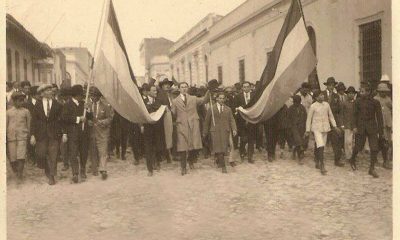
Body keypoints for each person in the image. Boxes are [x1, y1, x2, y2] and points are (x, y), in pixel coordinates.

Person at [171, 81, 210, 176]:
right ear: (179, 89)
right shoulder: (175, 101)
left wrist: (209, 91)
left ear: (187, 88)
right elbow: (173, 113)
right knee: (182, 147)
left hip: (193, 125)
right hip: (182, 126)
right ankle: (183, 167)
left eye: (185, 87)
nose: (184, 88)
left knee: (195, 146)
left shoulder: (193, 98)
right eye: (182, 87)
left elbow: (204, 100)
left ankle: (191, 160)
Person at [30, 84, 64, 185]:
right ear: (42, 93)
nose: (51, 92)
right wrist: (32, 135)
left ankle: (52, 176)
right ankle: (47, 170)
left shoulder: (57, 104)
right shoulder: (38, 104)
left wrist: (61, 131)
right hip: (41, 134)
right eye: (48, 91)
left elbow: (60, 119)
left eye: (51, 90)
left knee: (53, 155)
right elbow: (34, 121)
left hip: (54, 133)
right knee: (41, 154)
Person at [350, 85, 384, 178]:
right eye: (360, 91)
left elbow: (380, 118)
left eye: (362, 91)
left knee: (374, 148)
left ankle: (371, 168)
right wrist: (354, 126)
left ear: (368, 92)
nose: (360, 93)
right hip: (360, 128)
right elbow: (353, 115)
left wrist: (381, 132)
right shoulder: (357, 102)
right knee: (358, 147)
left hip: (372, 128)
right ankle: (352, 159)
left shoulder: (376, 102)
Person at [306, 90, 340, 175]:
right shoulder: (313, 106)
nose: (322, 96)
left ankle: (317, 160)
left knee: (321, 146)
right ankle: (322, 164)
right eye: (320, 95)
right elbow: (309, 119)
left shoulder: (326, 105)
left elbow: (331, 116)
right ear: (316, 97)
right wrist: (307, 130)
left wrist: (335, 126)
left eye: (322, 95)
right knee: (320, 145)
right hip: (316, 128)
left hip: (325, 128)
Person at [203, 91, 237, 173]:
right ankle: (223, 167)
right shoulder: (211, 108)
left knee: (224, 148)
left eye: (223, 98)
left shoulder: (228, 109)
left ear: (225, 99)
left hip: (225, 131)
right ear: (217, 98)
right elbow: (207, 121)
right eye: (220, 98)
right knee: (219, 148)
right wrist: (205, 132)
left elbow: (232, 120)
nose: (221, 100)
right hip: (215, 131)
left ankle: (219, 160)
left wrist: (234, 129)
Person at [61, 84, 90, 183]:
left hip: (83, 132)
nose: (82, 96)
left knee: (84, 152)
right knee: (73, 153)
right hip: (72, 133)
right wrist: (78, 119)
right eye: (81, 95)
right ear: (75, 95)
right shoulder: (67, 105)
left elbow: (89, 117)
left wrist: (88, 109)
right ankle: (75, 173)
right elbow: (64, 118)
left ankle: (82, 170)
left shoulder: (84, 104)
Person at [87, 87, 114, 179]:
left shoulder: (105, 105)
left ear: (99, 96)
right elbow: (86, 117)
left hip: (102, 132)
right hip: (91, 132)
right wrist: (88, 122)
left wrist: (103, 122)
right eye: (91, 95)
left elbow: (110, 118)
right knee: (93, 151)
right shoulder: (88, 105)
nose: (93, 98)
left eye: (95, 96)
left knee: (103, 151)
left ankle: (103, 169)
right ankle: (94, 168)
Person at [7, 92, 31, 183]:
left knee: (21, 156)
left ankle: (19, 174)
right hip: (11, 138)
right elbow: (5, 125)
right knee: (13, 158)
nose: (21, 103)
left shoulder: (26, 112)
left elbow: (29, 124)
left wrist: (28, 135)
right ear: (13, 101)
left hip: (22, 137)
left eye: (22, 101)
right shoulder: (8, 112)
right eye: (18, 101)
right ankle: (16, 171)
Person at [143, 85, 166, 176]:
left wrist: (152, 109)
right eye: (154, 91)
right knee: (148, 148)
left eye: (156, 91)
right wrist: (154, 108)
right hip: (148, 128)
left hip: (158, 127)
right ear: (148, 92)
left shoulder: (159, 101)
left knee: (157, 146)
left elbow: (161, 110)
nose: (156, 92)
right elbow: (144, 111)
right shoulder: (143, 101)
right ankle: (150, 169)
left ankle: (157, 162)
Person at [322, 77, 345, 167]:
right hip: (323, 120)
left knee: (336, 140)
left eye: (333, 85)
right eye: (330, 85)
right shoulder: (322, 94)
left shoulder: (336, 96)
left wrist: (340, 124)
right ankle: (318, 159)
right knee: (320, 140)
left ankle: (337, 160)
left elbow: (339, 111)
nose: (331, 87)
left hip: (333, 121)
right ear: (327, 85)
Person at [235, 81, 257, 163]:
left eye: (248, 86)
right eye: (244, 87)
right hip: (242, 121)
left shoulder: (254, 96)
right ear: (242, 88)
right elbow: (235, 107)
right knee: (243, 139)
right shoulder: (238, 96)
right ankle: (242, 153)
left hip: (252, 121)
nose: (246, 88)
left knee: (251, 139)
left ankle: (250, 157)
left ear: (250, 87)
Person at [374, 81, 392, 169]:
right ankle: (385, 161)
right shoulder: (375, 99)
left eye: (385, 91)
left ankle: (375, 157)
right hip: (379, 125)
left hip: (388, 124)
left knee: (387, 142)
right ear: (378, 91)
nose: (383, 93)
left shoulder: (388, 99)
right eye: (381, 91)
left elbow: (393, 109)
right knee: (383, 142)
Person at [156, 78, 174, 163]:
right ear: (162, 86)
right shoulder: (160, 95)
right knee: (164, 137)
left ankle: (168, 155)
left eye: (168, 84)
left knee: (169, 136)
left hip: (170, 117)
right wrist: (164, 108)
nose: (167, 86)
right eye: (165, 84)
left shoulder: (170, 95)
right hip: (163, 118)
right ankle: (164, 156)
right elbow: (158, 105)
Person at [288, 95, 307, 164]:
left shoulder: (302, 108)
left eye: (298, 102)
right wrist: (290, 128)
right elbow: (288, 119)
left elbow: (305, 117)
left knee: (299, 141)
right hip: (294, 127)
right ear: (293, 102)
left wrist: (305, 127)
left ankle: (294, 151)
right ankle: (300, 158)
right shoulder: (290, 108)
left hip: (301, 127)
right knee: (298, 141)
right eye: (295, 102)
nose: (296, 104)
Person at [341, 86, 357, 161]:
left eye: (353, 93)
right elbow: (341, 114)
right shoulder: (344, 103)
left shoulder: (356, 103)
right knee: (348, 141)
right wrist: (342, 124)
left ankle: (353, 155)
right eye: (349, 93)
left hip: (356, 125)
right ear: (347, 94)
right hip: (347, 124)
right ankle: (348, 156)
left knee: (354, 141)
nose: (351, 95)